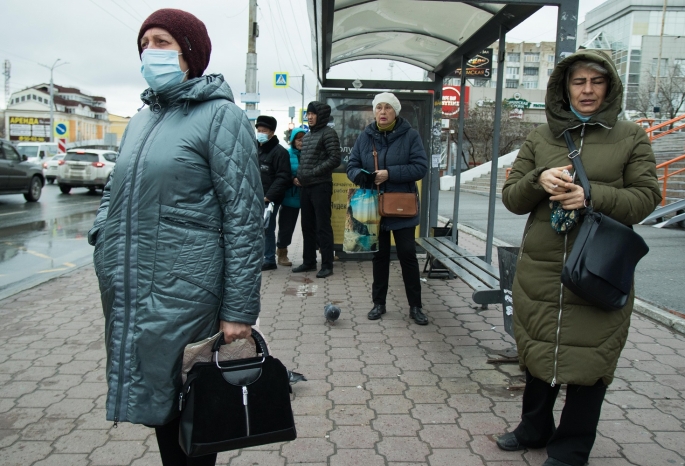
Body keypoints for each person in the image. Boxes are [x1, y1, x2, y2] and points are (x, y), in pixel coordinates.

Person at [88, 9, 264, 466]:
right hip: (136, 291)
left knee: (194, 417)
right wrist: (101, 233)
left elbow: (244, 219)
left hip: (190, 294)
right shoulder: (142, 119)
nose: (151, 50)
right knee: (162, 413)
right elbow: (114, 189)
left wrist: (239, 311)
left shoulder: (220, 116)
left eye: (163, 41)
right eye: (145, 42)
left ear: (189, 54)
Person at [497, 50, 661, 466]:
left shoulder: (631, 136)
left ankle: (571, 447)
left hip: (599, 269)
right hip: (542, 268)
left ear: (610, 86)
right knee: (537, 349)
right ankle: (534, 427)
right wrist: (539, 178)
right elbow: (513, 198)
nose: (587, 90)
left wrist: (592, 195)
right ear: (563, 87)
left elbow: (646, 198)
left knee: (592, 357)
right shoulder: (540, 138)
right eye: (578, 81)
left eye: (596, 81)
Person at [346, 92, 429, 325]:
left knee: (407, 256)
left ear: (396, 111)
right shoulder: (365, 136)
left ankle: (415, 307)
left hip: (401, 204)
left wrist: (390, 174)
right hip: (373, 205)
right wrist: (363, 177)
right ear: (374, 112)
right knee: (379, 256)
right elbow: (352, 165)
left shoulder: (410, 135)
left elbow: (420, 167)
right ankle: (378, 303)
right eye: (379, 108)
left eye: (388, 108)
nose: (382, 112)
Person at [292, 101, 341, 278]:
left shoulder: (328, 133)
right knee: (307, 226)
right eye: (308, 114)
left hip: (321, 186)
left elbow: (335, 158)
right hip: (305, 187)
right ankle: (309, 261)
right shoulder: (308, 135)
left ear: (321, 116)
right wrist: (299, 176)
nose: (309, 117)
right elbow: (305, 160)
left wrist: (312, 173)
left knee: (323, 226)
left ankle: (327, 265)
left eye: (312, 114)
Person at [255, 115, 292, 271]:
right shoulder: (255, 147)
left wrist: (269, 196)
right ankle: (260, 257)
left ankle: (269, 259)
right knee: (256, 228)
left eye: (264, 130)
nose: (260, 133)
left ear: (272, 132)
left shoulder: (279, 152)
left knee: (267, 227)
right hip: (255, 195)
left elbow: (283, 176)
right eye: (258, 130)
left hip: (270, 198)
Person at [276, 128, 306, 266]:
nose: (301, 142)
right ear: (293, 141)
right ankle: (282, 252)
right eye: (298, 139)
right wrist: (292, 179)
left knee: (313, 226)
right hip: (290, 196)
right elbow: (282, 172)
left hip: (306, 196)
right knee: (286, 227)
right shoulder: (286, 154)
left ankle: (322, 251)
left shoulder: (310, 154)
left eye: (303, 139)